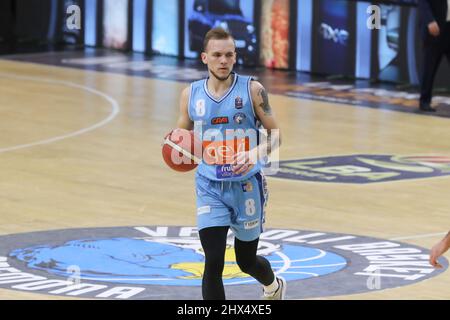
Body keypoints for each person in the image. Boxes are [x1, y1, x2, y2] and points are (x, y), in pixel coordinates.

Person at [176, 27, 285, 300]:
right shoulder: (190, 95)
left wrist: (254, 153)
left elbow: (276, 135)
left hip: (246, 186)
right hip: (209, 186)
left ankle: (273, 287)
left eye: (228, 55)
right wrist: (175, 148)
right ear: (204, 58)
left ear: (235, 56)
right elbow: (181, 139)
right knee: (213, 261)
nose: (223, 61)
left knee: (246, 261)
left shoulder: (253, 90)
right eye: (217, 55)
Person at [417, 0, 450, 112]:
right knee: (429, 67)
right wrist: (429, 20)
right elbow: (423, 2)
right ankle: (424, 101)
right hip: (435, 28)